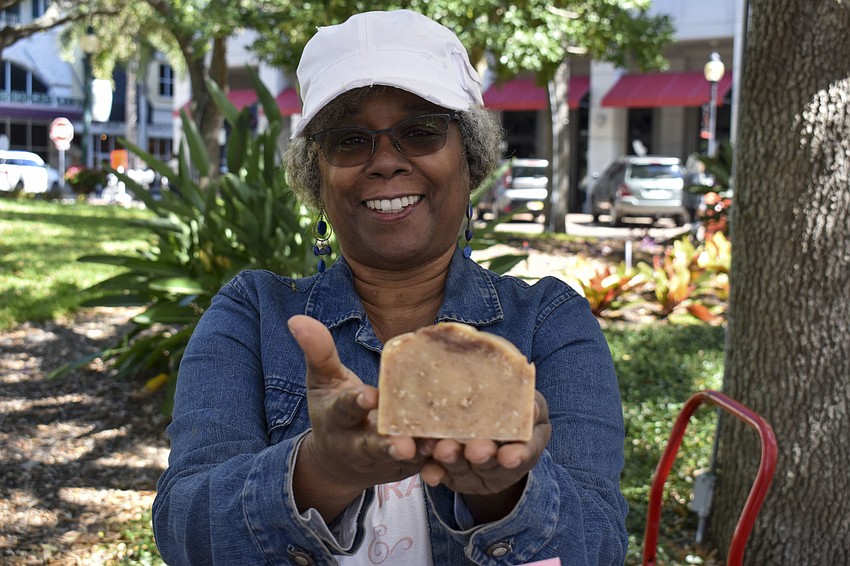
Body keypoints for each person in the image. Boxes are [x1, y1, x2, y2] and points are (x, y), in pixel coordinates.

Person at [153, 9, 627, 565]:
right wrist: (320, 472)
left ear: (469, 162)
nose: (384, 163)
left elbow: (598, 545)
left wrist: (503, 490)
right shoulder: (252, 315)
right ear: (318, 181)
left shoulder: (549, 320)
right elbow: (187, 534)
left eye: (420, 131)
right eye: (349, 140)